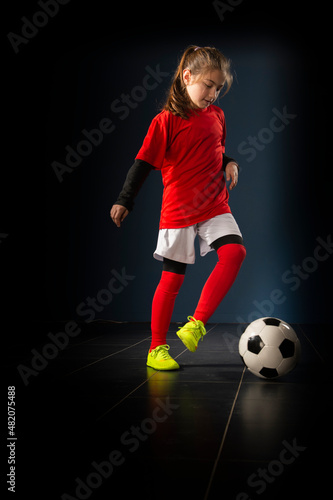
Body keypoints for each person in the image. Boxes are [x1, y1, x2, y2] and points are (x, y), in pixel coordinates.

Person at [110, 45, 246, 370]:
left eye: (217, 88)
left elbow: (213, 149)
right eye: (207, 85)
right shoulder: (166, 121)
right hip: (180, 210)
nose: (212, 93)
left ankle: (195, 324)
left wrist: (229, 163)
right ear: (187, 77)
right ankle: (157, 348)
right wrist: (124, 199)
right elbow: (142, 163)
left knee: (235, 253)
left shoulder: (218, 116)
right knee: (172, 281)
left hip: (214, 204)